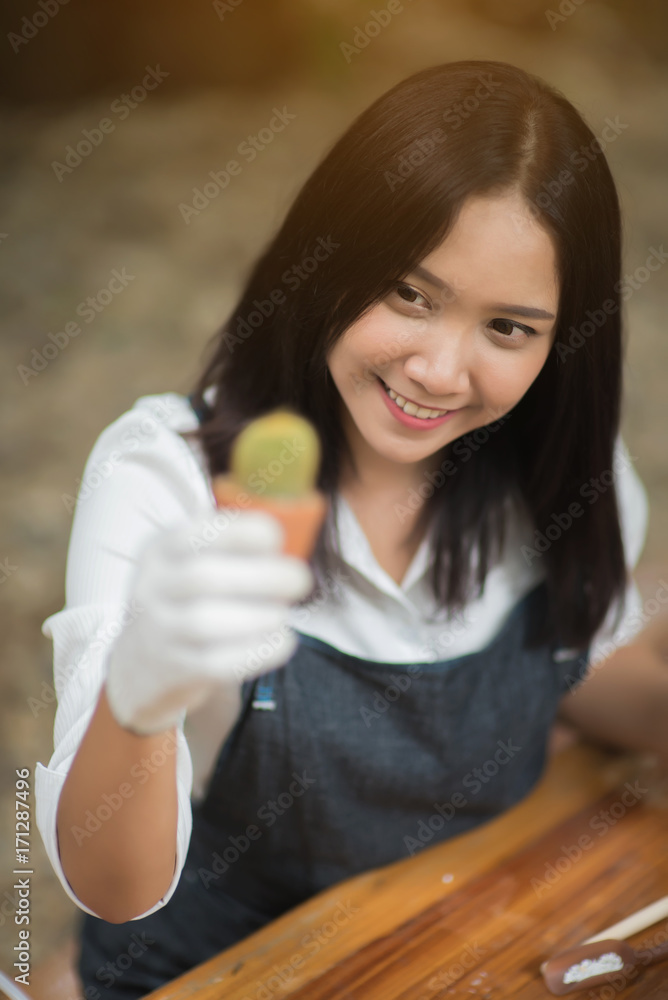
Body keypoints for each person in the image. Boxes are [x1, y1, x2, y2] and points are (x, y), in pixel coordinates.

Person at [35, 60, 667, 999]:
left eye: (509, 328)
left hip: (463, 956)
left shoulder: (568, 478)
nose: (439, 371)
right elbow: (111, 888)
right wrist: (140, 699)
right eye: (410, 293)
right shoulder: (163, 477)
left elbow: (575, 669)